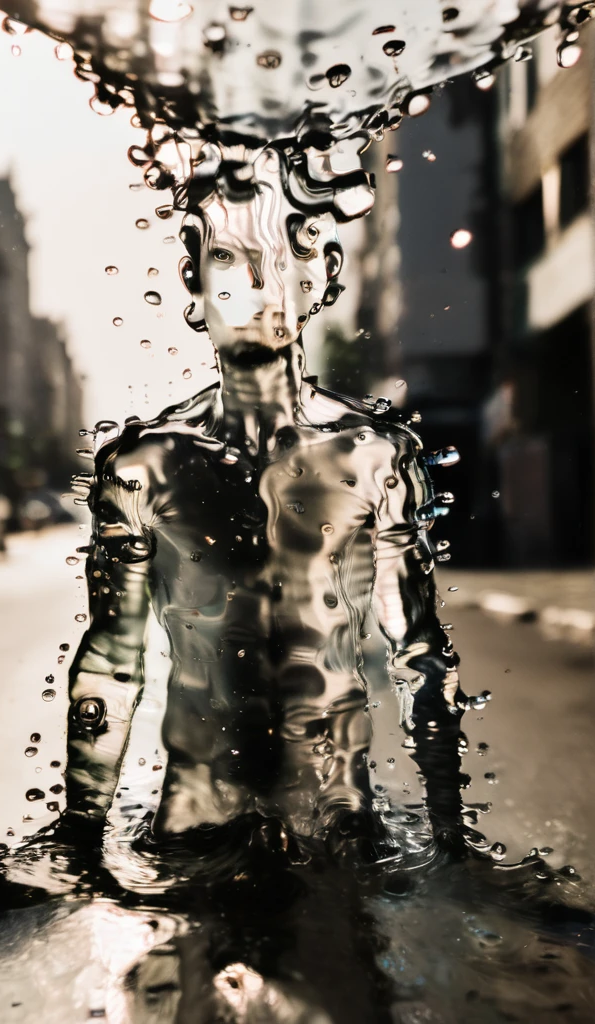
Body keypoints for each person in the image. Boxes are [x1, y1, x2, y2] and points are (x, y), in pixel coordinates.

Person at [66, 147, 465, 852]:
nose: (253, 281)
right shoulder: (145, 467)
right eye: (227, 257)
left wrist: (450, 835)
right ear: (191, 275)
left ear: (324, 275)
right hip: (197, 833)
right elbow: (110, 661)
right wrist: (77, 835)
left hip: (342, 835)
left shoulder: (374, 458)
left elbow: (420, 655)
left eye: (279, 254)